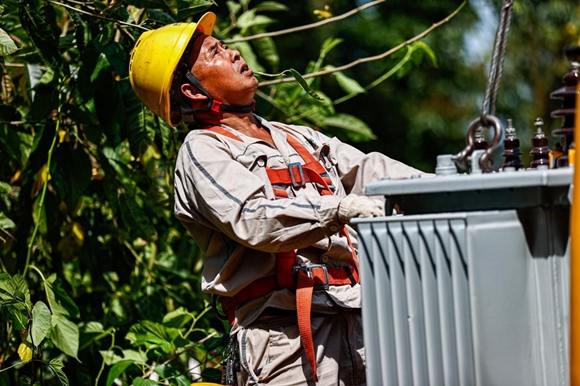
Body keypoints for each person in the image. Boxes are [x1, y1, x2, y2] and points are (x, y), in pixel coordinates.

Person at [129, 12, 426, 386]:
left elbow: (373, 171)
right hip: (284, 340)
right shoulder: (202, 151)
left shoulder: (298, 138)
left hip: (358, 321)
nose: (234, 53)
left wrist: (459, 186)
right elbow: (256, 219)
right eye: (215, 52)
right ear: (191, 90)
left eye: (224, 45)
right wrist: (341, 208)